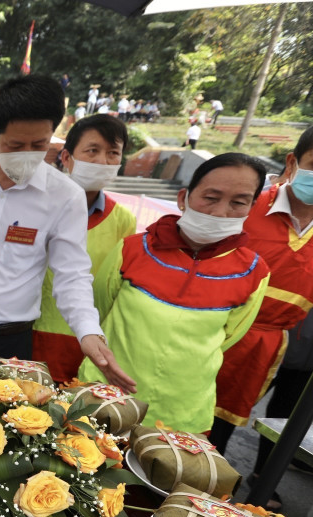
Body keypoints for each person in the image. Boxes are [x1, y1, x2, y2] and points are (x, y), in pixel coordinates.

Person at [0, 75, 133, 391]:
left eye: (38, 145)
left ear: (52, 137)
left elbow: (72, 276)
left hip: (9, 345)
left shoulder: (65, 196)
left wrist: (88, 332)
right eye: (15, 145)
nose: (27, 153)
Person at [80, 153, 271, 432]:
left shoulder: (254, 272)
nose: (220, 212)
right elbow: (99, 308)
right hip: (107, 394)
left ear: (251, 207)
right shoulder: (132, 249)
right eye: (210, 197)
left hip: (182, 410)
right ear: (183, 198)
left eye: (238, 202)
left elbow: (227, 338)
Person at [209, 127, 313, 456]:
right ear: (293, 161)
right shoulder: (248, 208)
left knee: (274, 417)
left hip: (285, 342)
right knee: (204, 418)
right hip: (219, 332)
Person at [32, 115, 136, 383]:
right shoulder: (33, 204)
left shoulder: (123, 220)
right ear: (66, 158)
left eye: (113, 153)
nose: (102, 161)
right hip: (27, 335)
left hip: (85, 342)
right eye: (92, 151)